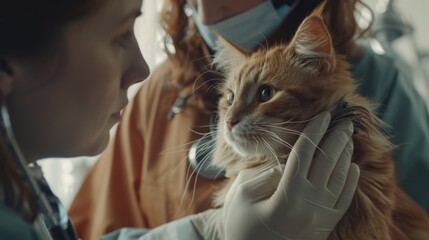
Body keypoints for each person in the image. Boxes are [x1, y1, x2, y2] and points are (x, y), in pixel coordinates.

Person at [0, 0, 359, 239]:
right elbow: (94, 221)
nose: (142, 69)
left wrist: (212, 230)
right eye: (120, 35)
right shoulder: (159, 90)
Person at [69, 0, 429, 239]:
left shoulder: (379, 81)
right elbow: (87, 229)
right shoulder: (156, 91)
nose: (208, 11)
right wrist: (209, 231)